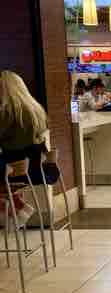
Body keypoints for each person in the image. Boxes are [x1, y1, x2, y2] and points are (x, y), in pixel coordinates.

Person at [0, 71, 49, 224]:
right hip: (36, 168)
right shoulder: (36, 109)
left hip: (16, 171)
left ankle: (14, 208)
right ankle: (16, 207)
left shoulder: (7, 113)